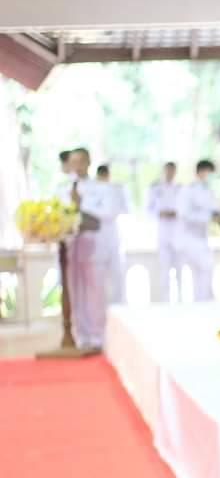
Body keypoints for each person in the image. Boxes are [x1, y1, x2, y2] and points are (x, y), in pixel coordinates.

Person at [66, 148, 125, 350]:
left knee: (95, 292)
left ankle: (98, 335)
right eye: (73, 162)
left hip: (94, 248)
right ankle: (80, 334)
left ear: (88, 162)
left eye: (80, 161)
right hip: (70, 250)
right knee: (75, 293)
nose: (77, 165)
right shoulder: (62, 188)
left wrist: (81, 206)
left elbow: (108, 213)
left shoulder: (102, 188)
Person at [176, 160, 220, 302]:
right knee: (205, 268)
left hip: (202, 239)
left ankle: (201, 304)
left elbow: (214, 211)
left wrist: (218, 217)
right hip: (188, 238)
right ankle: (203, 303)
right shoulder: (188, 190)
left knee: (202, 276)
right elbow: (184, 214)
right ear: (201, 172)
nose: (210, 176)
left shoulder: (208, 191)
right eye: (209, 172)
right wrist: (209, 217)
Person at [146, 162, 182, 302]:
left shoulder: (180, 188)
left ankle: (180, 299)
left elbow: (184, 209)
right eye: (168, 170)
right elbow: (148, 209)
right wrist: (160, 213)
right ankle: (165, 299)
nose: (170, 173)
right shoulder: (155, 187)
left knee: (179, 267)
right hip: (162, 230)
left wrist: (176, 213)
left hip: (177, 230)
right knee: (164, 267)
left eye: (172, 171)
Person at [94, 164, 129, 305]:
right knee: (98, 267)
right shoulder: (92, 190)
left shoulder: (117, 188)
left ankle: (118, 302)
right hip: (97, 230)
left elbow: (125, 208)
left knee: (117, 267)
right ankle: (101, 302)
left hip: (114, 229)